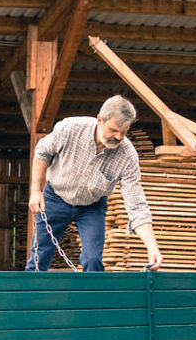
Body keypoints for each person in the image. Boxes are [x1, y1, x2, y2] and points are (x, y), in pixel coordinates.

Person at [24, 95, 163, 272]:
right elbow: (42, 152)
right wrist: (35, 190)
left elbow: (136, 204)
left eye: (124, 132)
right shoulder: (70, 128)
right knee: (39, 256)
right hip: (55, 197)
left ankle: (91, 299)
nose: (119, 137)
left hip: (92, 206)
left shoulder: (128, 156)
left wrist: (152, 247)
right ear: (99, 119)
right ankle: (29, 297)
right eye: (113, 130)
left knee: (92, 259)